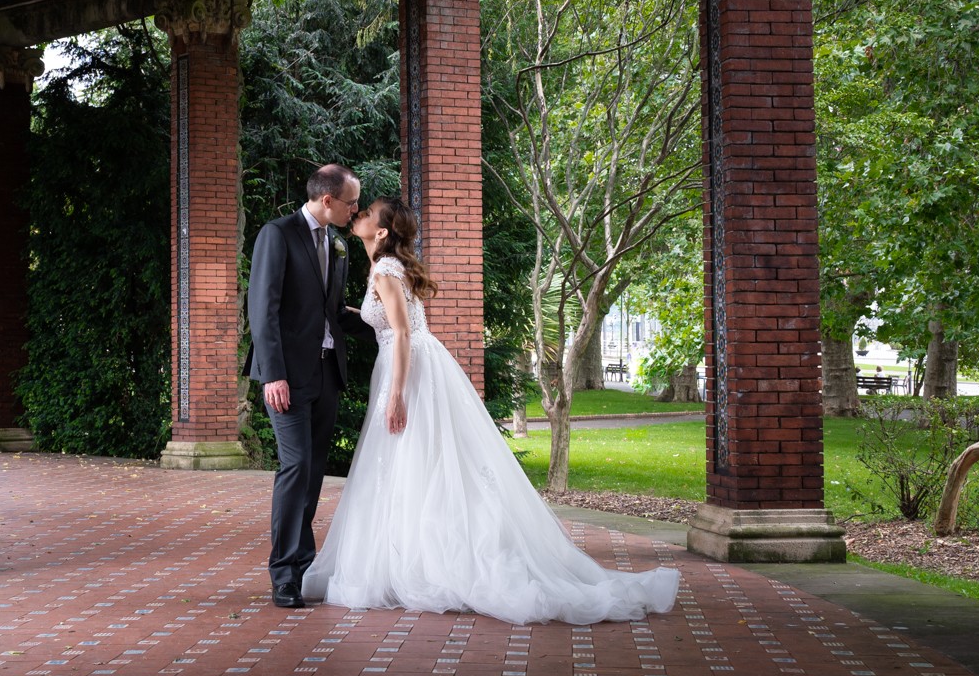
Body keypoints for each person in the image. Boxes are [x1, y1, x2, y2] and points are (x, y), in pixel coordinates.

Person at [303, 197, 678, 624]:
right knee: (420, 460)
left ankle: (421, 561)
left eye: (367, 213)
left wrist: (396, 395)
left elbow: (403, 333)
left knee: (412, 456)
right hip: (417, 364)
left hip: (407, 371)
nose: (359, 216)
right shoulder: (386, 269)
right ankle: (414, 552)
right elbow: (389, 323)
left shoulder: (386, 270)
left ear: (382, 232)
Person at [247, 164, 370, 609]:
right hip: (287, 378)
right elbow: (263, 310)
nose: (356, 209)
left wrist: (393, 330)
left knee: (314, 474)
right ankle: (283, 573)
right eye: (351, 202)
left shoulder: (338, 245)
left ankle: (303, 566)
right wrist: (273, 374)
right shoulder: (277, 235)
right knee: (295, 469)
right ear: (327, 200)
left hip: (326, 374)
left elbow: (334, 311)